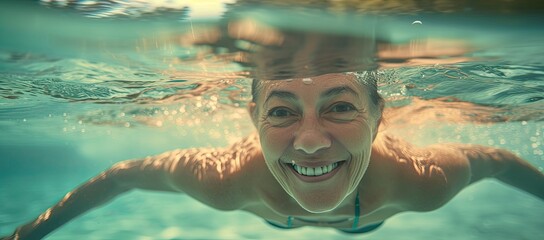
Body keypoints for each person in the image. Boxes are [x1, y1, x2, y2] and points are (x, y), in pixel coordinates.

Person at [3, 71, 543, 239]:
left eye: (339, 107)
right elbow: (124, 176)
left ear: (381, 116)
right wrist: (32, 231)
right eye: (282, 112)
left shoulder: (420, 181)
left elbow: (497, 158)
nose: (309, 140)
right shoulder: (225, 180)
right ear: (252, 121)